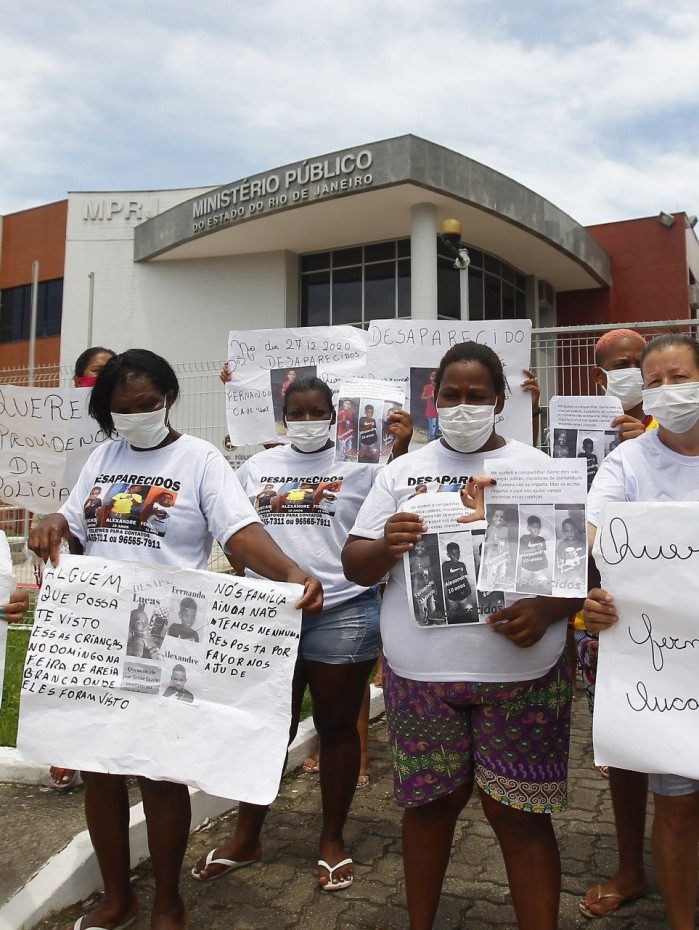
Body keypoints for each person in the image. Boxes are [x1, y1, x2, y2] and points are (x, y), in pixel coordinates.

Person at [29, 349, 321, 930]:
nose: (137, 416)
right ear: (106, 411)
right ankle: (118, 897)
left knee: (161, 773)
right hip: (98, 635)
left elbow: (239, 534)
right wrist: (55, 524)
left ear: (168, 399)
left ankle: (168, 901)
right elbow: (76, 527)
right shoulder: (102, 458)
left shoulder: (200, 459)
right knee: (100, 771)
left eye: (148, 404)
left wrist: (290, 571)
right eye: (123, 409)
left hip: (165, 640)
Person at [342, 341, 578, 930]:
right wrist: (386, 544)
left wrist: (546, 610)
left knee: (521, 817)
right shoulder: (401, 474)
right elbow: (356, 565)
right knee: (429, 808)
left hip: (522, 676)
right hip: (421, 676)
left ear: (499, 401)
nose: (463, 406)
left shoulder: (538, 469)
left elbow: (581, 573)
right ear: (434, 401)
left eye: (477, 395)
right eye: (451, 395)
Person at [192, 376, 413, 892]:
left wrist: (400, 449)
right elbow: (229, 528)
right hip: (269, 617)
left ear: (335, 416)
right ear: (283, 417)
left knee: (337, 728)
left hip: (343, 610)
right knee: (268, 728)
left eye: (318, 412)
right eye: (298, 412)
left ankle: (332, 840)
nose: (308, 421)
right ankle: (247, 837)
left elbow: (397, 513)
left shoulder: (362, 465)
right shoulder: (255, 469)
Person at [582, 333, 699, 930]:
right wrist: (591, 595)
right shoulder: (627, 462)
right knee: (678, 806)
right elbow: (591, 535)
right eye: (655, 382)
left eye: (680, 378)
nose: (667, 391)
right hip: (668, 669)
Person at [576, 327, 658, 918]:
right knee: (626, 750)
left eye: (641, 364)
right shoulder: (589, 431)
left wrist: (649, 438)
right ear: (601, 374)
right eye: (621, 365)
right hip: (610, 613)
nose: (635, 373)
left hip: (681, 617)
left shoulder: (670, 430)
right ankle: (631, 866)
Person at [49, 346, 116, 793]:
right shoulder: (59, 422)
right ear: (77, 380)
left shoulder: (121, 429)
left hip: (117, 564)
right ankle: (66, 750)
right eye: (96, 372)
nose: (105, 378)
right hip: (67, 560)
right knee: (74, 660)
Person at [440, 542, 476, 623]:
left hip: (464, 594)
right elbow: (445, 579)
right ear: (448, 555)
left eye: (458, 554)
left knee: (467, 613)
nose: (456, 556)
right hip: (452, 595)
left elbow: (465, 578)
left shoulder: (462, 564)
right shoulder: (445, 565)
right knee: (453, 614)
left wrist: (469, 589)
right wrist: (457, 575)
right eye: (453, 554)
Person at [517, 514, 550, 593]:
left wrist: (545, 566)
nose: (537, 530)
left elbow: (544, 553)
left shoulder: (541, 539)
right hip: (526, 568)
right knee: (520, 587)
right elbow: (521, 551)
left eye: (539, 527)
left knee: (546, 587)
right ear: (528, 528)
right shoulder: (524, 538)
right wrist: (533, 549)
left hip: (540, 568)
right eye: (534, 527)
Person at [421, 371, 439, 441]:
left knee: (437, 427)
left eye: (435, 376)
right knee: (432, 427)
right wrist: (430, 397)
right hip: (431, 410)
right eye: (432, 376)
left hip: (439, 410)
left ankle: (434, 440)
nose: (434, 378)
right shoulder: (427, 387)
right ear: (430, 378)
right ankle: (430, 440)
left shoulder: (440, 387)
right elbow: (422, 398)